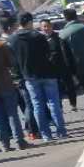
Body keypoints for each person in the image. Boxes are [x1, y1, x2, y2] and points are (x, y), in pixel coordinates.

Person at [8, 12, 66, 141]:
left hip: (29, 76)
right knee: (54, 103)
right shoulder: (38, 36)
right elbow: (48, 54)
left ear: (19, 23)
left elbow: (13, 62)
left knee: (37, 105)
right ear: (29, 22)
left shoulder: (12, 39)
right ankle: (61, 132)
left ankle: (46, 135)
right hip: (48, 74)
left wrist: (18, 77)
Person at [0, 16, 42, 140]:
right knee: (28, 105)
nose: (17, 27)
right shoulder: (11, 41)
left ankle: (16, 132)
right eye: (15, 25)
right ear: (10, 27)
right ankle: (32, 130)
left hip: (6, 80)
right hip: (18, 77)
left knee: (16, 108)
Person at [0, 24, 29, 151]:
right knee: (12, 114)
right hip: (5, 83)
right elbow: (11, 63)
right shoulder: (0, 45)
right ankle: (20, 141)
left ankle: (5, 144)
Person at [40, 17, 78, 112]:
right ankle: (59, 106)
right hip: (51, 68)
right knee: (56, 89)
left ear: (51, 26)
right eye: (44, 27)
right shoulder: (40, 40)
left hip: (64, 66)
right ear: (41, 28)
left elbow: (67, 51)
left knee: (69, 86)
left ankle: (73, 104)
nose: (46, 28)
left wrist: (72, 66)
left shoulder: (59, 37)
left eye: (48, 26)